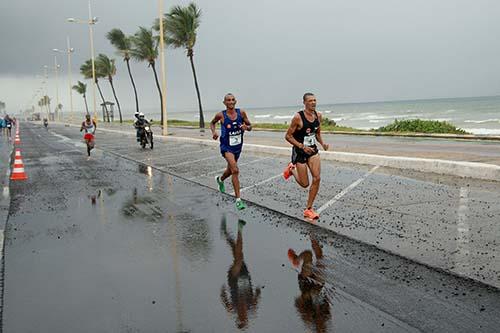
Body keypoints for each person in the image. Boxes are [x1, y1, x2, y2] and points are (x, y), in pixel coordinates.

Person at [283, 93, 330, 220]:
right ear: (304, 102)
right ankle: (292, 170)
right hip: (300, 152)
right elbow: (288, 136)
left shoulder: (318, 116)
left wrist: (323, 143)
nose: (313, 103)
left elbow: (317, 133)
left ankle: (308, 209)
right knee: (305, 184)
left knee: (317, 178)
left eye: (315, 100)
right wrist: (302, 147)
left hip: (313, 151)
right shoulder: (298, 117)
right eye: (310, 101)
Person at [210, 93, 252, 210]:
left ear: (235, 101)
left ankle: (220, 179)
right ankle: (238, 200)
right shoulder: (221, 115)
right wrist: (214, 132)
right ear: (224, 103)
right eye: (228, 100)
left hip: (237, 147)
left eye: (233, 100)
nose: (231, 102)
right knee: (235, 170)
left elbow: (250, 126)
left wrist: (246, 128)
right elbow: (212, 123)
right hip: (226, 147)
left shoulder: (241, 113)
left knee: (230, 170)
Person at [220, 217, 261, 329]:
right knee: (236, 251)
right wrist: (257, 293)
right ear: (246, 318)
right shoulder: (251, 306)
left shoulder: (232, 308)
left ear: (238, 317)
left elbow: (223, 298)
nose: (243, 315)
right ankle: (226, 234)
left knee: (238, 258)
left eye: (241, 317)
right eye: (244, 318)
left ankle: (239, 228)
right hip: (244, 274)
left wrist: (223, 292)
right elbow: (258, 294)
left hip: (233, 276)